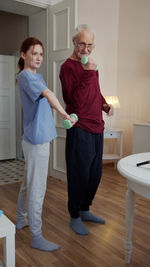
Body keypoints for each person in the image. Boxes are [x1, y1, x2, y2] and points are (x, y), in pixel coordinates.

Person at [16, 37, 75, 251]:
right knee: (37, 188)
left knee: (27, 183)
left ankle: (21, 219)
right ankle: (36, 236)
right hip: (36, 141)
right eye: (34, 53)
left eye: (41, 54)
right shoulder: (25, 76)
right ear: (23, 55)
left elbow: (44, 102)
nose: (39, 57)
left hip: (37, 138)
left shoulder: (37, 76)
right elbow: (49, 95)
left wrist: (62, 113)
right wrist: (64, 113)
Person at [59, 24, 113, 235]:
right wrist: (89, 73)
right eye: (82, 43)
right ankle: (74, 215)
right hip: (79, 126)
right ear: (74, 42)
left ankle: (84, 209)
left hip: (96, 126)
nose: (86, 49)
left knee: (94, 174)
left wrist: (104, 104)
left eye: (90, 45)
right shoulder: (67, 67)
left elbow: (95, 91)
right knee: (79, 174)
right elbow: (74, 102)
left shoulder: (91, 66)